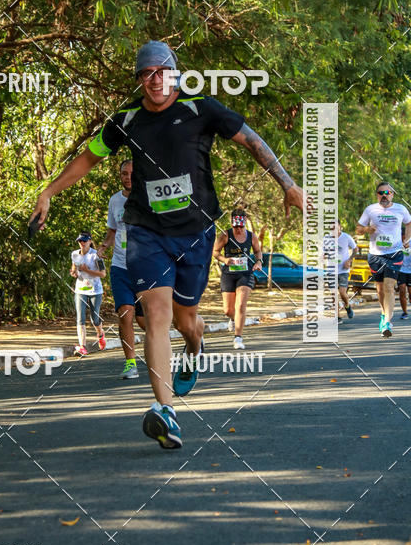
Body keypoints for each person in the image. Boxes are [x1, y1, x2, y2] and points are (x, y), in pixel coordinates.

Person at [30, 40, 304, 449]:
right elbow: (88, 157)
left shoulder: (200, 108)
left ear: (175, 74)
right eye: (147, 74)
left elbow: (251, 141)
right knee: (157, 317)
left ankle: (195, 346)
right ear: (140, 80)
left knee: (185, 323)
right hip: (146, 232)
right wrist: (49, 191)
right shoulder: (127, 119)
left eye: (162, 72)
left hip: (195, 233)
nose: (155, 80)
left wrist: (289, 184)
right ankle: (165, 410)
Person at [98, 159, 146, 379]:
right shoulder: (115, 200)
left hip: (146, 268)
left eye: (131, 173)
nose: (127, 177)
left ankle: (187, 335)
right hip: (120, 266)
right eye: (124, 174)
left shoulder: (147, 197)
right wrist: (103, 246)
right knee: (125, 314)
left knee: (145, 321)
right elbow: (112, 231)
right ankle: (130, 364)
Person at [357, 182, 411, 337]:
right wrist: (367, 229)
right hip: (375, 255)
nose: (384, 195)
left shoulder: (401, 209)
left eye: (387, 192)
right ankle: (383, 313)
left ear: (392, 194)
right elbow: (358, 229)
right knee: (380, 290)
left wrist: (407, 239)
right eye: (381, 193)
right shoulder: (370, 209)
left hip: (394, 254)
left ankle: (387, 323)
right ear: (377, 195)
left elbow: (409, 223)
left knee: (389, 287)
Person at [212, 209, 263, 350]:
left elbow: (257, 251)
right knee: (228, 310)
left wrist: (259, 262)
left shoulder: (252, 236)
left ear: (245, 222)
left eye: (241, 226)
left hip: (245, 274)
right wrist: (224, 259)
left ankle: (238, 338)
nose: (238, 230)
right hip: (228, 274)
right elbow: (215, 251)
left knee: (240, 305)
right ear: (232, 224)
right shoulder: (225, 235)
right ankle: (233, 319)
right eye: (236, 227)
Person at [70, 232, 106, 356]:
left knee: (94, 319)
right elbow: (74, 269)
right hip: (80, 290)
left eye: (84, 241)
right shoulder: (75, 254)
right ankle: (82, 346)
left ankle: (100, 334)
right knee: (80, 318)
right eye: (80, 241)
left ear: (90, 241)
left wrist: (87, 270)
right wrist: (74, 273)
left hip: (95, 290)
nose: (82, 243)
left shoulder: (96, 255)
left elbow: (103, 274)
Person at [336, 221, 357, 319]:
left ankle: (347, 306)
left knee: (342, 292)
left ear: (340, 227)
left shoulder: (346, 237)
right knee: (333, 294)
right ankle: (337, 317)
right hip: (331, 270)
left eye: (336, 226)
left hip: (343, 270)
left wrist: (349, 260)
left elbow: (355, 249)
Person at [397, 230, 411, 319]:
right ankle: (405, 312)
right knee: (402, 290)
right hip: (400, 270)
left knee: (410, 292)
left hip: (410, 271)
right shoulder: (397, 243)